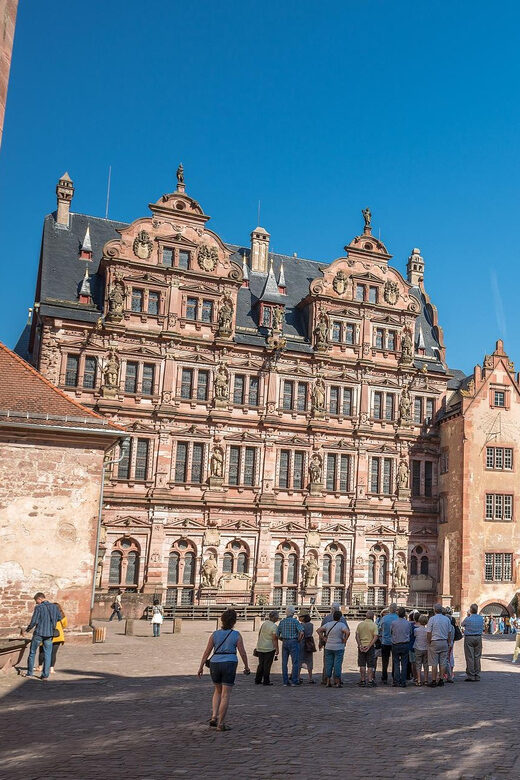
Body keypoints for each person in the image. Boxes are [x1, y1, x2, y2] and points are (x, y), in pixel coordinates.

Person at [197, 609, 250, 732]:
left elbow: (207, 652)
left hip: (215, 663)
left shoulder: (214, 634)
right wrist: (246, 666)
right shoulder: (236, 635)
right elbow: (242, 652)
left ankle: (214, 716)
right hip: (229, 663)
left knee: (217, 691)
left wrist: (201, 667)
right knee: (226, 694)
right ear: (234, 622)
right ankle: (221, 723)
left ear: (222, 620)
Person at [24, 593, 62, 680]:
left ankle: (30, 673)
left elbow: (34, 621)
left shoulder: (39, 607)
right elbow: (59, 618)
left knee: (32, 652)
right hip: (49, 634)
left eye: (36, 601)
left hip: (39, 633)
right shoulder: (54, 607)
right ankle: (45, 675)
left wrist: (27, 630)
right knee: (48, 654)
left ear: (39, 599)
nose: (36, 603)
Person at [317, 609, 350, 687]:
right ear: (340, 617)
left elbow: (318, 630)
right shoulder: (342, 625)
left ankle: (328, 681)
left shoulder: (328, 624)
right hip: (339, 646)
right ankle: (337, 682)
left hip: (328, 646)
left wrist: (323, 638)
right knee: (337, 664)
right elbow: (347, 632)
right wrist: (345, 639)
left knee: (328, 664)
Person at [426, 603, 454, 687]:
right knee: (443, 662)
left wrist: (429, 642)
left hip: (435, 641)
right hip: (444, 642)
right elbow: (449, 632)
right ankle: (441, 679)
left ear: (434, 610)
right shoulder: (447, 619)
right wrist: (448, 642)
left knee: (434, 662)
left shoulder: (432, 619)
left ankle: (434, 680)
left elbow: (429, 632)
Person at [277, 606, 304, 686]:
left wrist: (281, 639)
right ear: (293, 613)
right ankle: (294, 681)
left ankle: (285, 681)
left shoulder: (282, 622)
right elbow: (301, 632)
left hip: (285, 641)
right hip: (294, 641)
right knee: (295, 662)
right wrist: (299, 639)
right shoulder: (295, 622)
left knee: (284, 663)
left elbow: (277, 634)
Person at [37, 602, 66, 674]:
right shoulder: (62, 616)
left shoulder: (47, 615)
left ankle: (40, 667)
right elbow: (64, 625)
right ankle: (51, 669)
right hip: (58, 636)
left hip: (47, 634)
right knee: (53, 653)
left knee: (42, 651)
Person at [255, 610, 279, 686]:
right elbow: (274, 639)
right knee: (267, 665)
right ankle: (266, 680)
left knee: (261, 664)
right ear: (274, 618)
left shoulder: (264, 623)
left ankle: (258, 679)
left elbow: (259, 633)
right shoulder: (274, 626)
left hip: (261, 646)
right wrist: (277, 649)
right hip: (269, 648)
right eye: (277, 617)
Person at [355, 610, 379, 687]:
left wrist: (360, 645)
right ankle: (370, 680)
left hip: (362, 646)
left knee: (362, 664)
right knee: (370, 665)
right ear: (372, 617)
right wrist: (369, 645)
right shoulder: (374, 625)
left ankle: (362, 680)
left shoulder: (360, 624)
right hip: (370, 647)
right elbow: (376, 636)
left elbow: (357, 636)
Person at [461, 603, 484, 681]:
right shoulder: (481, 618)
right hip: (478, 637)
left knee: (470, 657)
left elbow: (462, 624)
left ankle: (471, 675)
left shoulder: (468, 619)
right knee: (477, 656)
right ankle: (477, 674)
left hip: (469, 638)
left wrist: (468, 616)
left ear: (471, 610)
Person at [391, 606, 411, 687]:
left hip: (396, 644)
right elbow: (410, 632)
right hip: (405, 644)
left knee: (396, 663)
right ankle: (403, 681)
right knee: (404, 663)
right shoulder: (408, 623)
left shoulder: (394, 623)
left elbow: (391, 632)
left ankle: (396, 681)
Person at [380, 603, 398, 684]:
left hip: (385, 641)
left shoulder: (384, 618)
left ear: (389, 609)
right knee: (395, 660)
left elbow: (380, 628)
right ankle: (394, 676)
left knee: (385, 660)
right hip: (395, 642)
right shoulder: (398, 618)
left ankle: (384, 677)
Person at [299, 613, 316, 684]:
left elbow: (301, 634)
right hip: (309, 643)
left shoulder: (301, 625)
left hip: (302, 643)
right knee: (309, 660)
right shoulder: (311, 625)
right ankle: (310, 678)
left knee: (300, 660)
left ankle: (298, 676)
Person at [413, 614, 429, 686]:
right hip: (426, 648)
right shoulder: (427, 630)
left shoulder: (416, 630)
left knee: (418, 665)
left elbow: (415, 636)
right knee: (426, 665)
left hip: (418, 648)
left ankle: (419, 680)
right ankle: (426, 680)